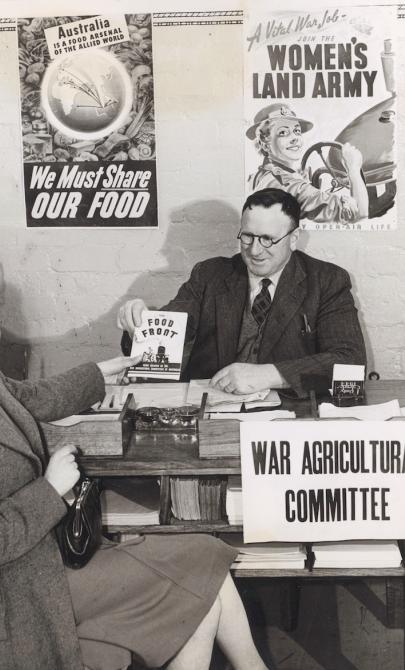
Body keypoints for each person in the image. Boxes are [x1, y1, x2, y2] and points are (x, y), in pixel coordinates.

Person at [0, 353, 273, 670]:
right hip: (19, 589)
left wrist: (100, 373)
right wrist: (50, 489)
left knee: (205, 565)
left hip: (43, 555)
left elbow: (28, 397)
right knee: (201, 584)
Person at [118, 188, 366, 398]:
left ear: (293, 238)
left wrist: (270, 375)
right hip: (211, 409)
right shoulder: (209, 275)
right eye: (247, 236)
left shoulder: (327, 281)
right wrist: (140, 325)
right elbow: (173, 328)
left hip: (287, 414)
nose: (255, 251)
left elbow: (351, 363)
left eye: (268, 239)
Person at [246, 103, 369, 224]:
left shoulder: (260, 175)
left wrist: (302, 182)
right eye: (283, 133)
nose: (295, 138)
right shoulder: (292, 187)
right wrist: (353, 169)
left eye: (297, 131)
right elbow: (359, 214)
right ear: (264, 145)